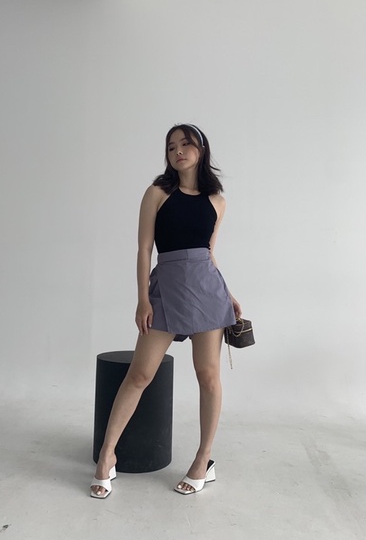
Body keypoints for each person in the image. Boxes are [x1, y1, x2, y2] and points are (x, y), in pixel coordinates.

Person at [90, 123, 242, 498]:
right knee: (140, 374)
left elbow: (209, 254)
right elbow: (144, 249)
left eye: (185, 144)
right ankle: (107, 456)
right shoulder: (157, 193)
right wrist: (143, 298)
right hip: (166, 287)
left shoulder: (217, 201)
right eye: (171, 146)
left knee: (208, 376)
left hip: (207, 290)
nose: (178, 151)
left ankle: (203, 460)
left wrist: (228, 294)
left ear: (201, 150)